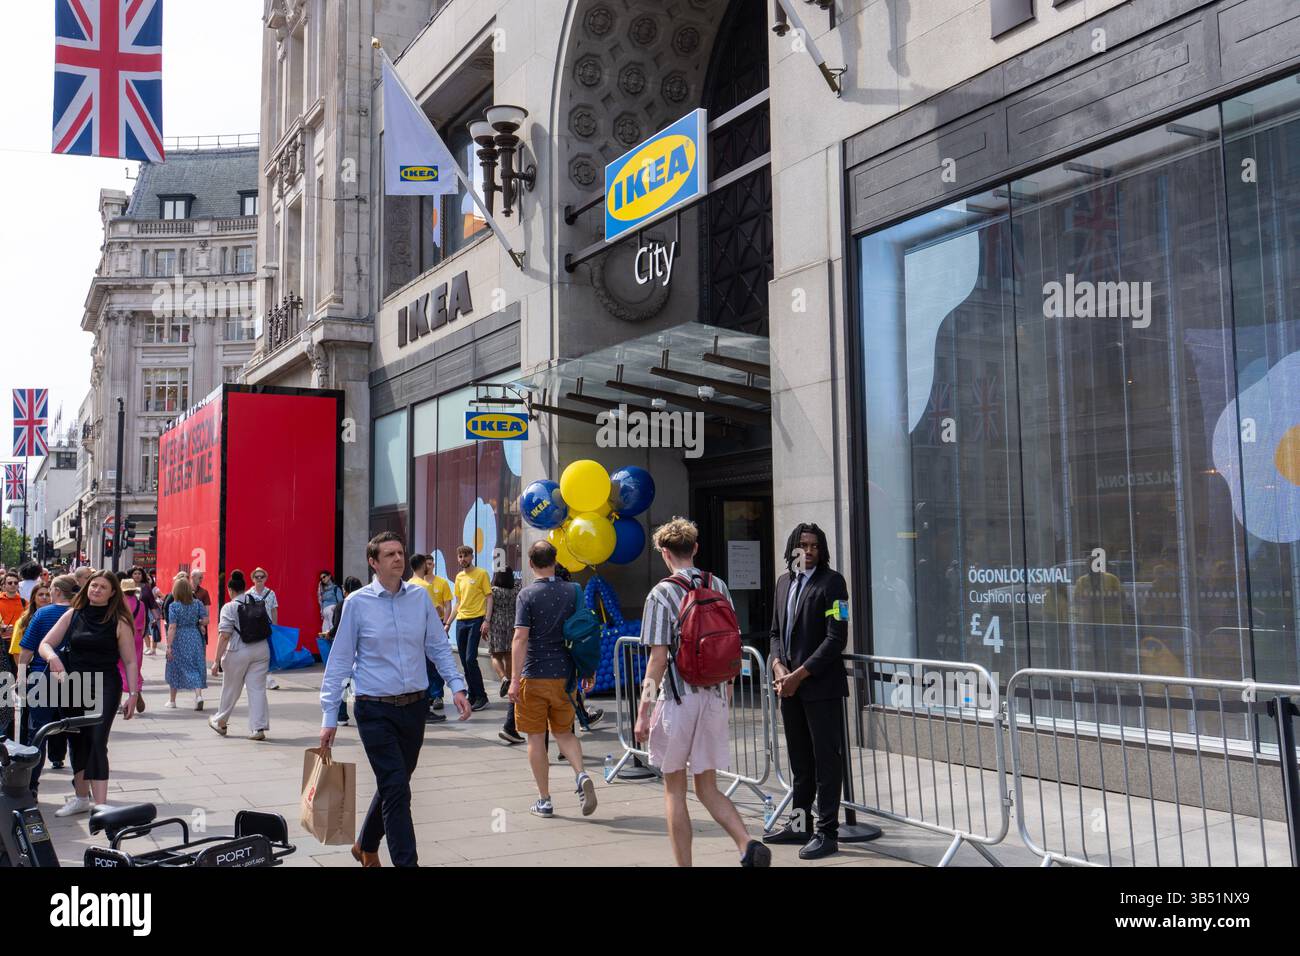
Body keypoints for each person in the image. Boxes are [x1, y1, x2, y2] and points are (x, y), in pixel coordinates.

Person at [319, 532, 471, 867]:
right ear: (373, 562)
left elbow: (437, 646)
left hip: (414, 708)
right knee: (397, 789)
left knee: (396, 783)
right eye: (389, 554)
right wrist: (329, 715)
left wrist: (457, 687)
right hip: (374, 710)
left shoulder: (419, 598)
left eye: (400, 553)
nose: (398, 559)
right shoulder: (357, 603)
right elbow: (340, 661)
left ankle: (366, 845)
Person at [633, 517, 769, 867]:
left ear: (664, 553)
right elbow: (731, 648)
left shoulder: (661, 593)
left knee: (674, 790)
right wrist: (729, 694)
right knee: (707, 787)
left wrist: (643, 711)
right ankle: (745, 843)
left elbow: (657, 660)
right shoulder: (719, 586)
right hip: (715, 697)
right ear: (695, 548)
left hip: (679, 699)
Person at [764, 522, 850, 860]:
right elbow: (774, 633)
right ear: (793, 548)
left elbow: (836, 637)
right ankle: (800, 824)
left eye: (815, 545)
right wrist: (777, 668)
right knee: (800, 762)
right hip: (789, 688)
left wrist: (800, 674)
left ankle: (827, 833)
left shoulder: (833, 584)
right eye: (803, 545)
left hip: (821, 688)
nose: (809, 551)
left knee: (826, 761)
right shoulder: (783, 583)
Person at [508, 540, 598, 819]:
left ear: (531, 563)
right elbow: (584, 631)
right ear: (555, 561)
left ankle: (544, 800)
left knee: (536, 739)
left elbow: (520, 638)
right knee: (565, 733)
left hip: (533, 675)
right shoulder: (574, 590)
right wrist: (588, 670)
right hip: (565, 676)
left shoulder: (526, 595)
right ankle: (581, 774)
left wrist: (513, 679)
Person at [37, 571, 138, 816]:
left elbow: (130, 661)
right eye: (94, 586)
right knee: (78, 742)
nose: (96, 590)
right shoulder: (74, 614)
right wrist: (53, 658)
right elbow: (45, 644)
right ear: (86, 588)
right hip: (74, 685)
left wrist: (133, 693)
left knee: (97, 741)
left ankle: (101, 804)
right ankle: (81, 798)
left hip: (105, 685)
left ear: (113, 592)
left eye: (103, 587)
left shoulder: (119, 621)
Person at [17, 575, 81, 787]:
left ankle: (31, 785)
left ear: (57, 591)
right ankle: (82, 788)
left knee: (37, 734)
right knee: (77, 734)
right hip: (75, 678)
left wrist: (21, 676)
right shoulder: (82, 615)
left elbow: (26, 650)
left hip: (41, 676)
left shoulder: (43, 614)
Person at [209, 570, 271, 740]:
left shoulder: (229, 607)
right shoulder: (258, 601)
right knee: (257, 689)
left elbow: (224, 635)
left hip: (238, 651)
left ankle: (220, 721)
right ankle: (258, 728)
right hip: (261, 649)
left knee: (231, 689)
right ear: (244, 588)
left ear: (230, 590)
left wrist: (216, 661)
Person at [409, 554, 454, 720]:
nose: (430, 565)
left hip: (414, 633)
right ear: (423, 565)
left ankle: (425, 701)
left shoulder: (408, 584)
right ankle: (426, 706)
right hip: (426, 631)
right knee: (430, 666)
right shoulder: (423, 586)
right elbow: (432, 611)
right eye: (427, 563)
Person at [451, 546, 492, 712]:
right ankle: (473, 694)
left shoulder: (481, 573)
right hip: (461, 621)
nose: (463, 559)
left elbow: (489, 598)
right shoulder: (459, 577)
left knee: (470, 659)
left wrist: (486, 620)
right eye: (460, 556)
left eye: (465, 556)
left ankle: (482, 696)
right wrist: (447, 623)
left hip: (476, 620)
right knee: (464, 661)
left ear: (472, 557)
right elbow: (458, 603)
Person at [164, 576, 208, 711]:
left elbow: (172, 627)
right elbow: (206, 620)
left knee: (174, 666)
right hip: (194, 636)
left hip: (179, 638)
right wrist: (198, 623)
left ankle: (172, 700)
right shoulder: (198, 603)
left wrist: (169, 646)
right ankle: (198, 696)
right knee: (194, 666)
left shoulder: (174, 606)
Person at [326, 576, 364, 726]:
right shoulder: (366, 602)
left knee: (342, 682)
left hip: (346, 649)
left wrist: (329, 633)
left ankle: (341, 715)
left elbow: (338, 627)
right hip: (363, 649)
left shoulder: (343, 604)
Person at [119, 577, 148, 713]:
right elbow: (142, 626)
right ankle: (136, 689)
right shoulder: (140, 604)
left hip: (122, 636)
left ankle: (119, 701)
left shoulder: (119, 604)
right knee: (134, 665)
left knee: (120, 667)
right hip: (136, 637)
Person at [249, 568, 281, 690]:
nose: (259, 579)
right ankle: (251, 678)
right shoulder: (249, 594)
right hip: (253, 628)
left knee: (268, 653)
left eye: (261, 576)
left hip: (267, 627)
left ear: (265, 578)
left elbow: (274, 610)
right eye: (256, 577)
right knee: (253, 653)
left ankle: (269, 677)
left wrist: (275, 626)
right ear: (253, 579)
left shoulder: (271, 593)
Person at [131, 567, 160, 656]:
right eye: (135, 573)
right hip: (129, 618)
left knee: (138, 643)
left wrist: (156, 616)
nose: (137, 575)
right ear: (131, 575)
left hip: (142, 618)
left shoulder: (146, 587)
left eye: (139, 574)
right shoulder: (128, 586)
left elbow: (151, 602)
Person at [0, 572, 26, 660]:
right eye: (10, 583)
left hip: (19, 643)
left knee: (18, 671)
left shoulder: (24, 602)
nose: (13, 585)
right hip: (2, 642)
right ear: (4, 585)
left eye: (16, 583)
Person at [318, 570, 344, 636]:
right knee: (324, 634)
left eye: (324, 577)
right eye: (321, 578)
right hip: (325, 614)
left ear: (329, 576)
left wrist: (335, 608)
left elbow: (341, 601)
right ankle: (327, 646)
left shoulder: (335, 588)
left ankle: (334, 646)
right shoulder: (322, 590)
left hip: (332, 611)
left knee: (332, 632)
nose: (323, 579)